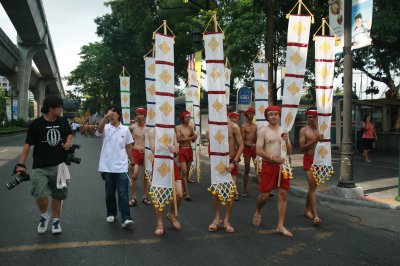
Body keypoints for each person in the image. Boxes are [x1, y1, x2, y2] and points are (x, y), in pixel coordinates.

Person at [16, 95, 73, 234]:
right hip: (40, 166)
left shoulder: (63, 121)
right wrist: (21, 164)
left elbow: (69, 133)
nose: (60, 109)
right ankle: (44, 216)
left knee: (57, 195)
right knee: (39, 193)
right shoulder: (36, 124)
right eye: (58, 107)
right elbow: (27, 145)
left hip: (59, 165)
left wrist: (68, 142)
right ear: (50, 108)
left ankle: (56, 221)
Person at [252, 106, 293, 237]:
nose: (274, 116)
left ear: (279, 116)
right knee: (264, 195)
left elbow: (290, 152)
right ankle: (258, 210)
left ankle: (280, 225)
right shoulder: (263, 131)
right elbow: (257, 150)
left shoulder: (284, 131)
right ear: (267, 117)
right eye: (271, 114)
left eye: (276, 114)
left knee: (283, 194)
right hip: (268, 165)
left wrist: (287, 141)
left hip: (283, 166)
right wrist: (271, 158)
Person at [96, 106, 134, 228]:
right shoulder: (106, 128)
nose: (111, 115)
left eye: (113, 113)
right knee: (109, 193)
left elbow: (128, 146)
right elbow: (99, 130)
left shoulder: (125, 129)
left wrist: (132, 163)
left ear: (119, 115)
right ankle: (111, 213)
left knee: (123, 193)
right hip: (107, 167)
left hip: (121, 166)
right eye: (109, 113)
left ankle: (126, 217)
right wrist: (105, 118)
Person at [208, 116, 244, 233]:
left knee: (230, 192)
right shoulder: (211, 128)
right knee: (216, 192)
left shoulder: (233, 127)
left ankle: (226, 220)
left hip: (230, 162)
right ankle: (217, 218)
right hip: (217, 164)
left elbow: (241, 146)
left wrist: (234, 162)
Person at [148, 128, 183, 236]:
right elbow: (153, 149)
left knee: (179, 194)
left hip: (171, 164)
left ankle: (171, 214)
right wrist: (166, 145)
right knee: (159, 195)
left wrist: (175, 150)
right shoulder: (152, 131)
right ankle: (159, 223)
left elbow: (177, 149)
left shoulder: (171, 131)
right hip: (159, 164)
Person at [299, 108, 324, 225]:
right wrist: (314, 141)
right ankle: (315, 215)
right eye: (309, 117)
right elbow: (301, 148)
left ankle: (306, 210)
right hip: (308, 160)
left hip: (319, 160)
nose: (311, 119)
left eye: (313, 117)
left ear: (317, 118)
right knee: (312, 186)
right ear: (307, 118)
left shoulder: (322, 129)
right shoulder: (303, 130)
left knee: (312, 187)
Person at [128, 107, 151, 206]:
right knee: (134, 175)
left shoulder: (149, 128)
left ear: (144, 115)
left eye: (139, 114)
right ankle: (133, 197)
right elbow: (126, 141)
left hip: (146, 154)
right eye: (136, 114)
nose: (137, 116)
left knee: (146, 176)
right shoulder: (132, 127)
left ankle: (145, 197)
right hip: (136, 153)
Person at [176, 111, 198, 201]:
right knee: (184, 171)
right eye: (186, 117)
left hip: (189, 150)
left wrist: (196, 136)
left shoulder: (191, 127)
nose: (188, 119)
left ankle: (184, 188)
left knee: (187, 172)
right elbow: (178, 140)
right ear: (182, 118)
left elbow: (193, 141)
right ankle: (186, 192)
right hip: (181, 150)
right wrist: (190, 138)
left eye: (189, 117)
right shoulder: (178, 127)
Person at [240, 107, 257, 197]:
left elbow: (257, 138)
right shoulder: (243, 126)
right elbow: (242, 140)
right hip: (247, 148)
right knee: (247, 169)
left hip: (254, 148)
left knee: (258, 169)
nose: (251, 115)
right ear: (246, 115)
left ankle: (264, 190)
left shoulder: (255, 126)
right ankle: (245, 190)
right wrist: (250, 145)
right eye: (249, 114)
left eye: (252, 113)